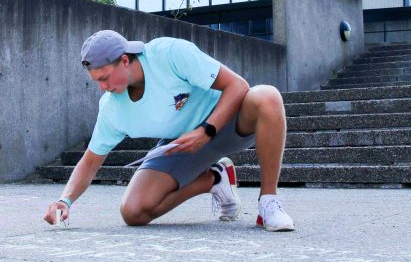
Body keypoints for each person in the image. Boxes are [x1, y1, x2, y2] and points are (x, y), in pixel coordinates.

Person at [43, 30, 295, 231]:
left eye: (105, 78)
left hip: (229, 120)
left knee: (267, 96)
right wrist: (65, 200)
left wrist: (207, 130)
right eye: (96, 80)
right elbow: (90, 161)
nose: (102, 87)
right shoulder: (111, 108)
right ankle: (214, 179)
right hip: (184, 144)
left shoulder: (169, 53)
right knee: (133, 211)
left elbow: (238, 85)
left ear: (124, 60)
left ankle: (268, 202)